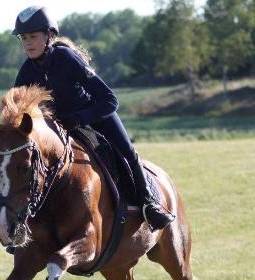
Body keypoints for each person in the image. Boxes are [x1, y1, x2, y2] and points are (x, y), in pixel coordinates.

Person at [12, 5, 175, 231]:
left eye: (33, 36)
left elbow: (110, 100)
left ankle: (149, 204)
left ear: (49, 35)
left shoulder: (67, 58)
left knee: (127, 152)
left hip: (95, 113)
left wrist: (79, 118)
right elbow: (18, 109)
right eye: (24, 38)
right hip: (61, 127)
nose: (28, 43)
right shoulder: (26, 72)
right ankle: (25, 222)